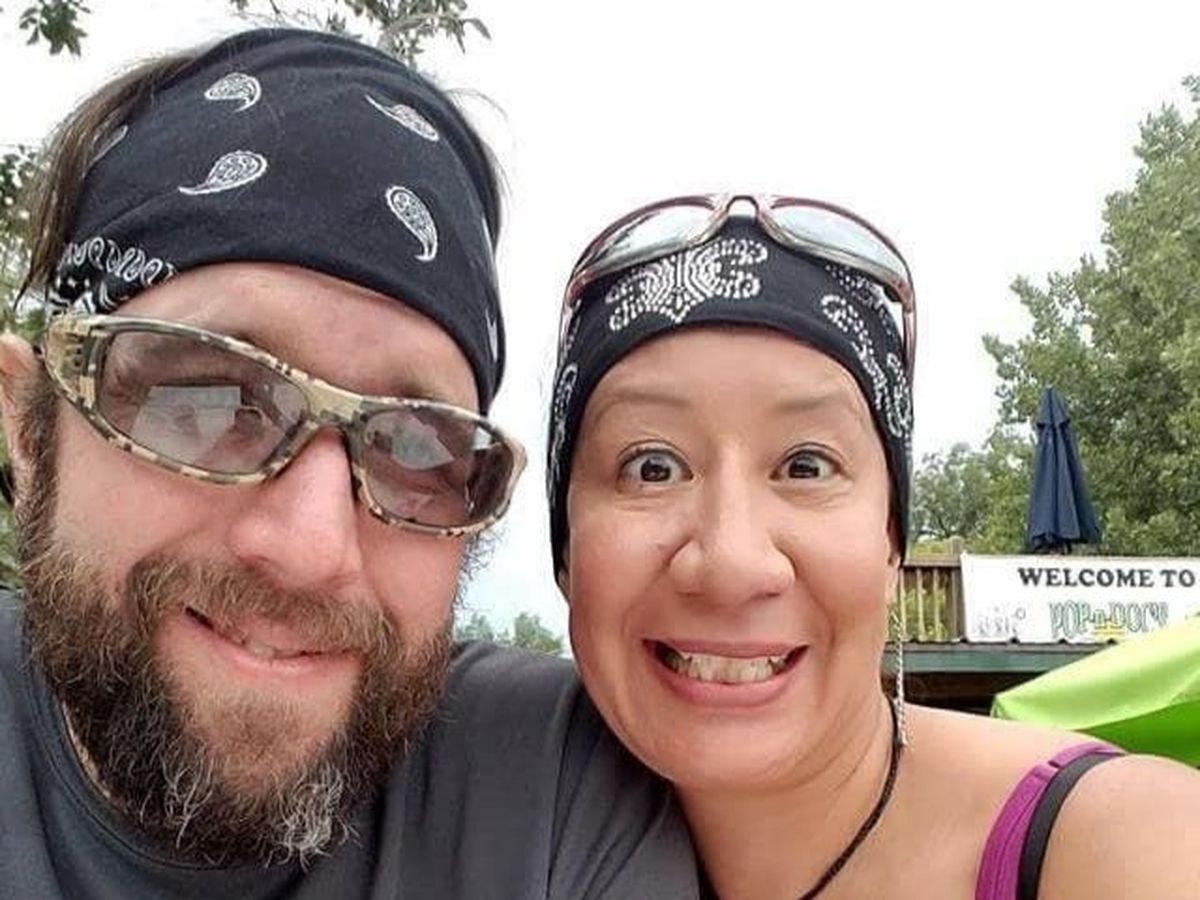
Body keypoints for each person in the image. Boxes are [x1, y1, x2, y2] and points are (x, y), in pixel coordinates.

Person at [0, 30, 700, 898]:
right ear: (27, 426)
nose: (311, 549)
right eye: (207, 399)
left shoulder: (551, 795)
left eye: (416, 449)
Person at [546, 194, 1200, 899]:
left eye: (806, 466)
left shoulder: (1124, 846)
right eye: (652, 467)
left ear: (892, 544)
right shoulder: (506, 824)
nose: (732, 562)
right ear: (566, 551)